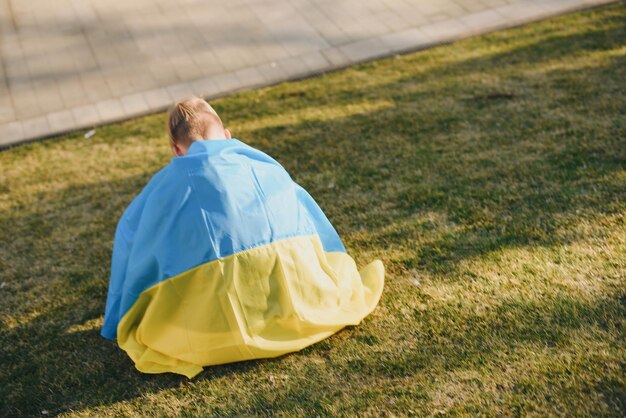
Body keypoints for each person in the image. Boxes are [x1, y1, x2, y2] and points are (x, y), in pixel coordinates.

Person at [101, 97, 384, 378]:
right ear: (227, 136)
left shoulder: (160, 191)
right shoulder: (263, 168)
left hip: (209, 329)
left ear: (176, 150)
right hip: (295, 300)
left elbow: (130, 239)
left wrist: (117, 317)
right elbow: (311, 223)